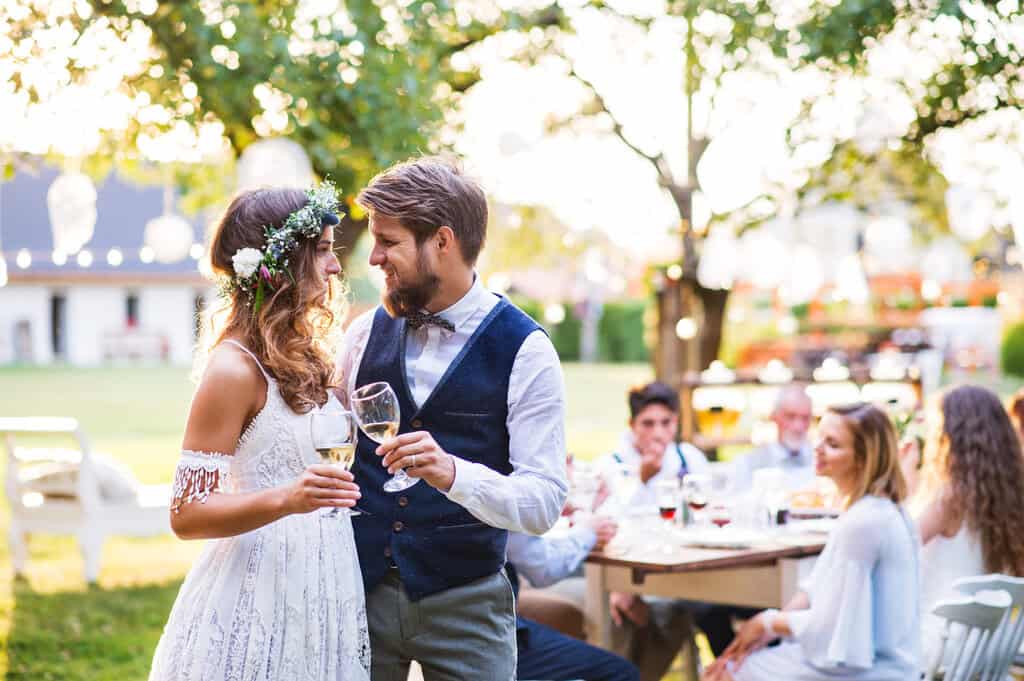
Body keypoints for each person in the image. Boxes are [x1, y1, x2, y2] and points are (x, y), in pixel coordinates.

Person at [335, 156, 568, 680]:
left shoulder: (526, 351)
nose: (373, 258)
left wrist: (453, 474)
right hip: (360, 594)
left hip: (468, 607)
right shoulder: (361, 335)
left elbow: (545, 502)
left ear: (441, 241)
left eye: (389, 241)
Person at [149, 185, 370, 680]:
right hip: (254, 590)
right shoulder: (233, 368)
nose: (335, 266)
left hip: (323, 584)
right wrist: (288, 498)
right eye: (320, 250)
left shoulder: (309, 352)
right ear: (282, 261)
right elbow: (187, 513)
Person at [704, 402, 920, 681]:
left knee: (727, 674)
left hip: (875, 670)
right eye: (820, 437)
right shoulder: (874, 510)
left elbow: (832, 627)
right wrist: (768, 629)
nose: (817, 448)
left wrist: (766, 622)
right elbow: (814, 589)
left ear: (863, 459)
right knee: (733, 663)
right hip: (875, 661)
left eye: (832, 444)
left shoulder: (864, 522)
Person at [914, 385, 1024, 670]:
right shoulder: (1014, 497)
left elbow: (898, 544)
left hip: (940, 646)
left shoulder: (950, 497)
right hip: (991, 647)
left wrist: (900, 474)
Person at [506, 515, 640, 681]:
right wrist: (588, 532)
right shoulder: (493, 499)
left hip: (488, 621)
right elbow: (543, 568)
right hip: (493, 635)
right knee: (620, 673)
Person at [730, 384, 815, 493]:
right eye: (790, 416)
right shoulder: (747, 463)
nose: (798, 426)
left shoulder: (823, 461)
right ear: (774, 416)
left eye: (805, 418)